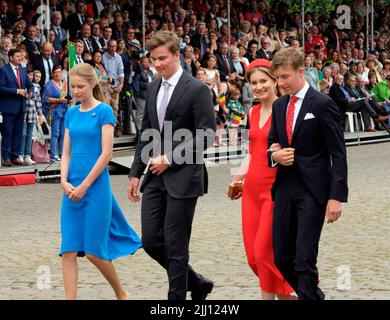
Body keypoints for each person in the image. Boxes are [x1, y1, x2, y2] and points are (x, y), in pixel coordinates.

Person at [128, 31, 216, 300]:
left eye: (163, 58)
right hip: (154, 177)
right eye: (154, 59)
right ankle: (197, 282)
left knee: (176, 245)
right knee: (151, 241)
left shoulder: (197, 89)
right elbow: (147, 131)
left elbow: (207, 134)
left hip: (185, 176)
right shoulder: (154, 86)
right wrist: (134, 172)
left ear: (177, 55)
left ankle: (175, 300)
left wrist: (170, 158)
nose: (158, 64)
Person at [268, 47, 348, 300]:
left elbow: (339, 153)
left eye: (285, 77)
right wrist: (275, 156)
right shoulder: (280, 105)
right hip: (284, 189)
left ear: (301, 72)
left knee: (304, 258)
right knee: (281, 257)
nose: (280, 83)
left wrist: (336, 197)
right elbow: (272, 144)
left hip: (313, 192)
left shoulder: (323, 104)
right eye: (277, 78)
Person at [60, 63, 141, 300]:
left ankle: (121, 293)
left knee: (95, 252)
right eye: (72, 86)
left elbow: (107, 154)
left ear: (93, 84)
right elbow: (65, 153)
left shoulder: (104, 111)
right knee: (68, 249)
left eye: (80, 86)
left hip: (95, 188)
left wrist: (84, 186)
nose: (75, 91)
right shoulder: (71, 113)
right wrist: (64, 181)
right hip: (71, 188)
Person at [230, 59, 295, 300]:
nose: (258, 87)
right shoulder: (252, 111)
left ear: (275, 80)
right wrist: (238, 176)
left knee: (264, 253)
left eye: (263, 81)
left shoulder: (287, 110)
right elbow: (252, 150)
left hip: (275, 189)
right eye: (253, 82)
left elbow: (292, 153)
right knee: (254, 256)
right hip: (251, 191)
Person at [0, 48, 34, 167]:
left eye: (21, 56)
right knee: (7, 132)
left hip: (21, 106)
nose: (20, 58)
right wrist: (16, 91)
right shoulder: (3, 70)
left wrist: (30, 91)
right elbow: (1, 88)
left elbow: (30, 84)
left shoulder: (22, 70)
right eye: (17, 56)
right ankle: (6, 158)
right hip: (8, 107)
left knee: (18, 133)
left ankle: (15, 156)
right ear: (10, 57)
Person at [42, 65, 69, 162]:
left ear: (62, 73)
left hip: (64, 110)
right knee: (55, 133)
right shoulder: (49, 85)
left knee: (63, 133)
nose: (57, 74)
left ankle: (62, 154)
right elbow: (45, 98)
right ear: (52, 73)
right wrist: (58, 100)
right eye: (55, 72)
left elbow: (68, 96)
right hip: (55, 111)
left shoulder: (64, 83)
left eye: (59, 72)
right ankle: (53, 155)